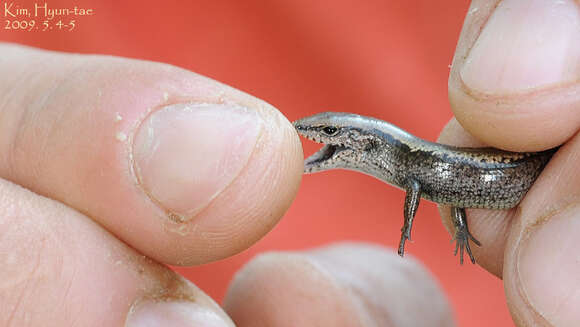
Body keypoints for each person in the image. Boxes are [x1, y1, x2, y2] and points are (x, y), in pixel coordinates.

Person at [1, 1, 578, 326]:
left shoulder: (409, 164)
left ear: (364, 145)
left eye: (331, 135)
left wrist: (410, 233)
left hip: (524, 175)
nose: (317, 140)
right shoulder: (413, 164)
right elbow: (438, 188)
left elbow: (422, 189)